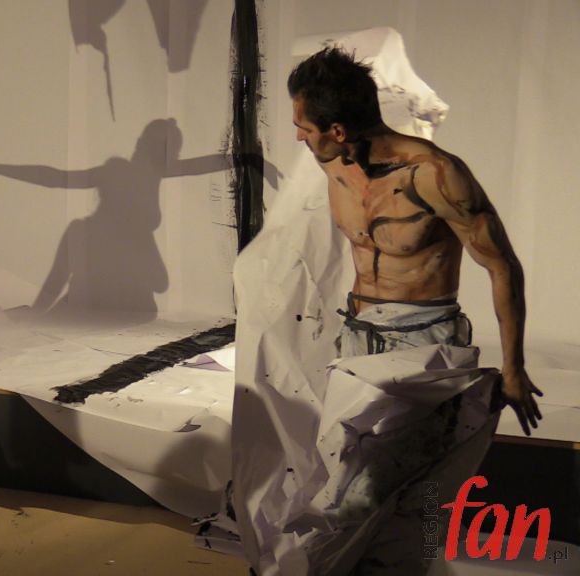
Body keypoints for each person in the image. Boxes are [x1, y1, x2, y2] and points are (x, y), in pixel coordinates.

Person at [216, 46, 543, 575]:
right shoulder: (334, 161)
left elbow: (502, 266)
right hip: (357, 338)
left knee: (364, 494)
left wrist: (514, 367)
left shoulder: (437, 175)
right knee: (350, 478)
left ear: (338, 129)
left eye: (304, 126)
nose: (298, 136)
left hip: (423, 345)